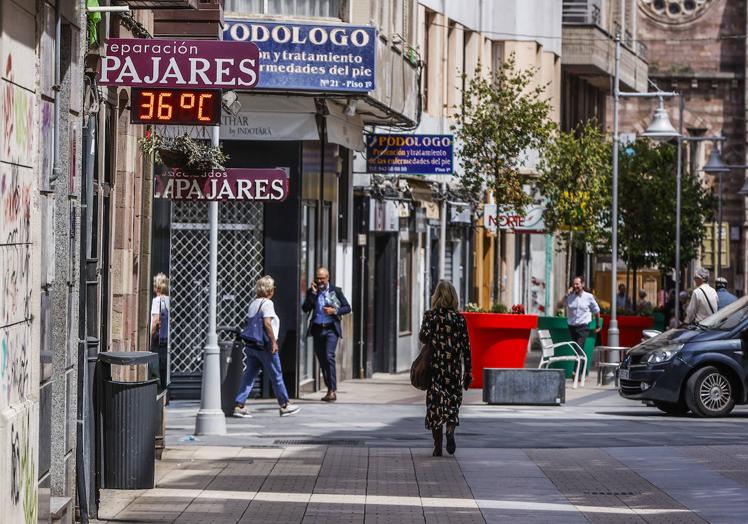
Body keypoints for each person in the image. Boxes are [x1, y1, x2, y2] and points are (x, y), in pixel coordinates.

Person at [418, 280, 472, 457]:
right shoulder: (459, 319)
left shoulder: (430, 316)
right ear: (454, 297)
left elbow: (423, 337)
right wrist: (468, 371)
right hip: (454, 369)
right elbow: (466, 347)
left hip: (435, 368)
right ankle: (450, 430)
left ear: (436, 296)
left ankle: (437, 446)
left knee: (435, 405)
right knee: (452, 402)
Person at [234, 275, 300, 417]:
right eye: (273, 287)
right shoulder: (268, 303)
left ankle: (239, 405)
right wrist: (274, 342)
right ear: (269, 289)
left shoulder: (253, 303)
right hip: (265, 346)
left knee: (249, 376)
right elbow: (267, 323)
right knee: (276, 374)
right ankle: (284, 404)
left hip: (252, 346)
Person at [302, 267, 351, 402]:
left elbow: (347, 308)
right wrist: (312, 294)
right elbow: (305, 308)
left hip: (331, 329)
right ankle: (329, 388)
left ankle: (333, 390)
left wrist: (334, 311)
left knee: (329, 356)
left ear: (328, 278)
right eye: (318, 278)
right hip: (318, 329)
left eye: (322, 278)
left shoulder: (336, 291)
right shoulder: (313, 292)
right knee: (322, 359)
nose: (320, 280)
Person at [564, 276, 602, 351]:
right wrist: (566, 295)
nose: (575, 286)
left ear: (582, 284)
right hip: (572, 327)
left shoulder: (588, 297)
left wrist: (598, 325)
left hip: (583, 327)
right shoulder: (569, 296)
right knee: (575, 350)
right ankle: (581, 362)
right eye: (574, 284)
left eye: (577, 284)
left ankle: (579, 362)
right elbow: (560, 305)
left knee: (579, 349)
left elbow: (596, 310)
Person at [150, 273, 170, 391]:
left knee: (156, 363)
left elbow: (156, 320)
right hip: (167, 338)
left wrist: (152, 334)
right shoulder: (169, 300)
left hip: (158, 338)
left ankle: (158, 387)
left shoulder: (157, 301)